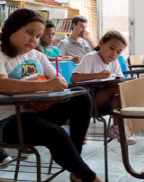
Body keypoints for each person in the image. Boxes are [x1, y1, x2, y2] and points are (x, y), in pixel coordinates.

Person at [0, 9, 102, 182]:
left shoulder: (38, 55)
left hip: (39, 113)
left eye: (38, 36)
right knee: (55, 133)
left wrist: (53, 83)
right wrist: (45, 84)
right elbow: (3, 84)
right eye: (29, 32)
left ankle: (75, 165)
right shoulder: (1, 55)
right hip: (10, 121)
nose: (34, 40)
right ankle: (88, 176)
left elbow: (60, 81)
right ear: (12, 28)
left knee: (82, 96)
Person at [70, 31, 136, 145]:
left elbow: (119, 78)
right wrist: (97, 75)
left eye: (119, 52)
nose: (114, 54)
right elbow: (73, 79)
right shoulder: (90, 58)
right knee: (117, 88)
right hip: (89, 101)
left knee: (121, 93)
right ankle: (118, 127)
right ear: (101, 43)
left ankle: (120, 127)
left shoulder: (114, 62)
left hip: (105, 99)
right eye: (112, 48)